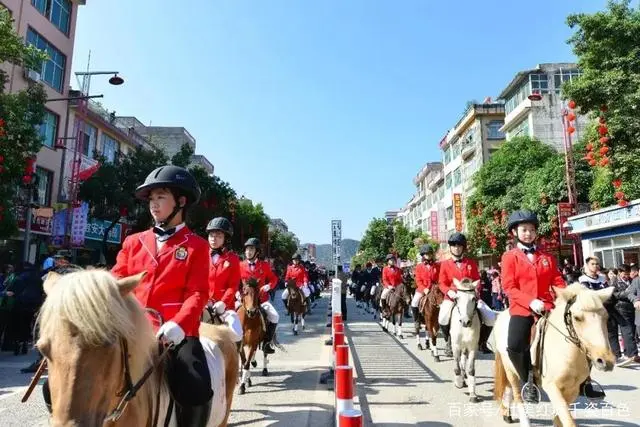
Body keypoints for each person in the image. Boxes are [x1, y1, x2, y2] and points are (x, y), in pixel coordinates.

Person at [111, 165, 212, 426]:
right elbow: (116, 279)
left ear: (181, 201)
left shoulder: (198, 246)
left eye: (161, 198)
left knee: (196, 386)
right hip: (132, 327)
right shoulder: (134, 241)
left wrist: (178, 324)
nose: (154, 205)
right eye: (151, 199)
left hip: (176, 333)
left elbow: (198, 292)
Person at [501, 210, 592, 404]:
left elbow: (557, 281)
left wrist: (569, 295)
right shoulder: (510, 257)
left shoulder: (547, 257)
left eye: (532, 230)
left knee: (578, 333)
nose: (528, 233)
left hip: (548, 306)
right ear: (515, 232)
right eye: (524, 229)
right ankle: (527, 382)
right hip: (522, 309)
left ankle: (585, 380)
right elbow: (508, 286)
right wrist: (529, 301)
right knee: (515, 344)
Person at [438, 232, 495, 357]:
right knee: (442, 317)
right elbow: (442, 283)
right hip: (453, 297)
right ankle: (448, 341)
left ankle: (482, 342)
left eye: (459, 245)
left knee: (491, 317)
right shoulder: (445, 264)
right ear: (450, 247)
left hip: (470, 297)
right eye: (454, 245)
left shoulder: (471, 263)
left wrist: (475, 291)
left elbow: (477, 280)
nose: (456, 248)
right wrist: (449, 291)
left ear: (463, 247)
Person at [239, 237, 280, 354]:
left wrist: (268, 286)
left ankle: (267, 342)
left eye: (251, 249)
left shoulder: (265, 265)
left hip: (261, 300)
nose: (248, 252)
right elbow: (235, 281)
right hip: (244, 300)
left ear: (257, 252)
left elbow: (273, 279)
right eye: (247, 249)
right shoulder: (240, 265)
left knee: (275, 316)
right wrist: (237, 293)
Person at [411, 245, 439, 347]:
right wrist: (424, 289)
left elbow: (438, 279)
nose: (428, 255)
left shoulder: (436, 265)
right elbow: (418, 280)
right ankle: (416, 320)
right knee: (414, 301)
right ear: (423, 255)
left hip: (434, 290)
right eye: (426, 254)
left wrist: (435, 288)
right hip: (422, 289)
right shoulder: (419, 266)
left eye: (430, 253)